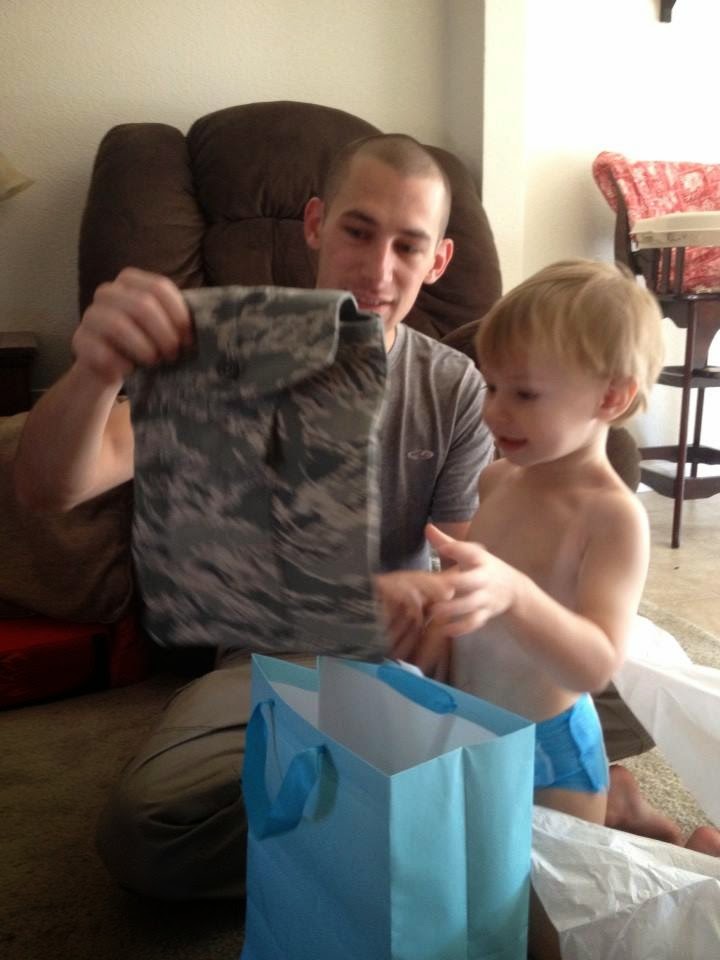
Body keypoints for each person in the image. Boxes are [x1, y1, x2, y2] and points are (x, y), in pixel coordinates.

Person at [14, 133, 494, 899]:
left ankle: (392, 808)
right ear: (315, 225)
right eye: (358, 232)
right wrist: (97, 371)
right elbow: (50, 488)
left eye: (408, 246)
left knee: (591, 662)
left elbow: (468, 563)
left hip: (407, 657)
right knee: (146, 834)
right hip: (272, 661)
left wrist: (469, 611)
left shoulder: (455, 386)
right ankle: (420, 816)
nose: (379, 271)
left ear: (438, 261)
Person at [397, 260, 720, 858]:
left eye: (523, 393)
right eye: (492, 386)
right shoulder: (496, 480)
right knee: (471, 869)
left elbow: (596, 664)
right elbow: (473, 606)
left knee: (549, 899)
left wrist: (516, 594)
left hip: (550, 751)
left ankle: (646, 822)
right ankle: (625, 805)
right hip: (474, 725)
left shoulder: (612, 518)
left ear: (611, 397)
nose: (495, 411)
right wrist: (432, 630)